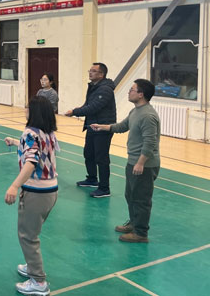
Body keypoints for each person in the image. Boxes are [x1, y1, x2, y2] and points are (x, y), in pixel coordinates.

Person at [91, 79, 160, 243]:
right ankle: (134, 223)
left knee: (141, 199)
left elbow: (150, 142)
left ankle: (141, 233)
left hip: (144, 165)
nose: (129, 92)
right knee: (130, 195)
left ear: (141, 94)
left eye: (132, 89)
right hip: (133, 161)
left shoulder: (148, 116)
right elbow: (122, 126)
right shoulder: (136, 111)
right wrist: (103, 126)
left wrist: (141, 162)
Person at [4, 96, 59, 296]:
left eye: (28, 107)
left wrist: (14, 186)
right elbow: (38, 150)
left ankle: (38, 281)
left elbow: (31, 161)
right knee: (32, 233)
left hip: (36, 192)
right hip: (51, 191)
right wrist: (15, 142)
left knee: (28, 236)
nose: (25, 109)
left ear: (34, 112)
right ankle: (32, 265)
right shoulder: (47, 132)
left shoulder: (30, 132)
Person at [65, 62, 116, 198]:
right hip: (92, 126)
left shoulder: (105, 89)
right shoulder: (94, 87)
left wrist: (74, 112)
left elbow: (94, 107)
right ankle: (92, 179)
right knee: (89, 154)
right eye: (90, 70)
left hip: (103, 128)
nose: (90, 73)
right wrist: (78, 109)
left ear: (101, 74)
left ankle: (104, 188)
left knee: (101, 158)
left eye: (93, 71)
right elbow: (88, 104)